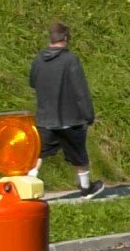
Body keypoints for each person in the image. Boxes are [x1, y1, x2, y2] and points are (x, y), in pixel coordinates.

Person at [29, 21, 100, 196]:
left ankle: (28, 185)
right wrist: (88, 115)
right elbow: (80, 91)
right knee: (78, 155)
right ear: (66, 38)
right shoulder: (70, 60)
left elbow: (32, 82)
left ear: (50, 39)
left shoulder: (38, 59)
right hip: (70, 119)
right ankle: (85, 188)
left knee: (38, 154)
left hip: (45, 119)